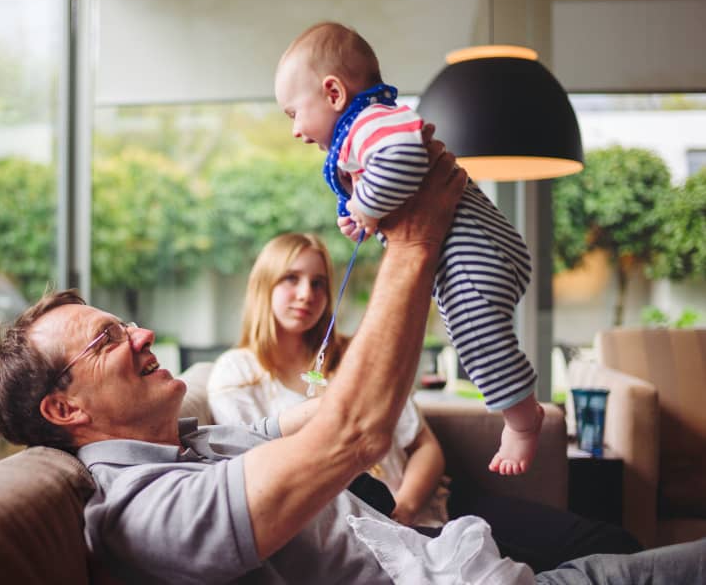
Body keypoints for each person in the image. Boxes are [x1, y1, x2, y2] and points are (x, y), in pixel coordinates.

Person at [0, 130, 706, 584]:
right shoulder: (149, 512)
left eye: (127, 324)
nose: (142, 336)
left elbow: (342, 414)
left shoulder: (194, 444)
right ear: (65, 407)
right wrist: (415, 240)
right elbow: (352, 435)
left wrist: (403, 228)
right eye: (109, 340)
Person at [207, 231, 642, 572]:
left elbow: (425, 447)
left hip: (437, 506)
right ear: (263, 286)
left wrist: (407, 507)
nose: (306, 294)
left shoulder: (352, 356)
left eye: (318, 282)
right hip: (373, 536)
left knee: (609, 544)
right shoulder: (238, 375)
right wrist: (391, 524)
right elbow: (265, 476)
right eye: (291, 279)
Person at [275, 21, 543, 475]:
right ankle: (519, 415)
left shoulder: (370, 122)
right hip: (470, 256)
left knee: (478, 340)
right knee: (467, 339)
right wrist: (364, 217)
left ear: (334, 93)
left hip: (477, 252)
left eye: (293, 113)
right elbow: (396, 189)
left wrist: (364, 205)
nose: (296, 131)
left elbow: (404, 157)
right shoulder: (363, 131)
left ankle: (523, 422)